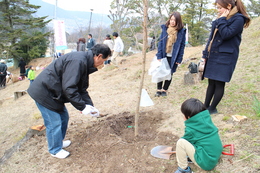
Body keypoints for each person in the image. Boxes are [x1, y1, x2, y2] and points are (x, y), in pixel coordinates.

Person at [27, 44, 112, 159]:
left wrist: (90, 106)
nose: (102, 64)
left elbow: (81, 89)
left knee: (64, 117)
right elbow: (69, 88)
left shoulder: (84, 63)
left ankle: (58, 142)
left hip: (54, 92)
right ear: (98, 56)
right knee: (54, 122)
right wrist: (82, 107)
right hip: (44, 92)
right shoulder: (78, 61)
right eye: (103, 60)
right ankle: (54, 150)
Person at [202, 0, 251, 114]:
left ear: (229, 6)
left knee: (219, 83)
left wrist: (222, 20)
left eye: (220, 8)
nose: (218, 11)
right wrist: (205, 54)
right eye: (217, 8)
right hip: (213, 54)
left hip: (226, 57)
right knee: (211, 82)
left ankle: (212, 108)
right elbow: (211, 38)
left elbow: (226, 34)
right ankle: (205, 106)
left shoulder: (238, 19)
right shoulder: (220, 19)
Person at [174, 98, 222, 173]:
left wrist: (181, 151)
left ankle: (183, 169)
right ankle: (193, 156)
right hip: (214, 154)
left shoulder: (191, 129)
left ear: (188, 117)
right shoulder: (207, 120)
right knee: (195, 141)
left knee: (181, 143)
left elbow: (186, 141)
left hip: (207, 163)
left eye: (184, 115)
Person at [155, 12, 186, 97]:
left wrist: (179, 59)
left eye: (175, 20)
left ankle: (165, 90)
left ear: (178, 21)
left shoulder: (181, 32)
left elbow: (182, 46)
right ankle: (158, 89)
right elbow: (160, 43)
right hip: (164, 55)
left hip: (173, 56)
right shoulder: (165, 29)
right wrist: (159, 55)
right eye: (171, 19)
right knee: (160, 72)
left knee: (170, 73)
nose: (172, 22)